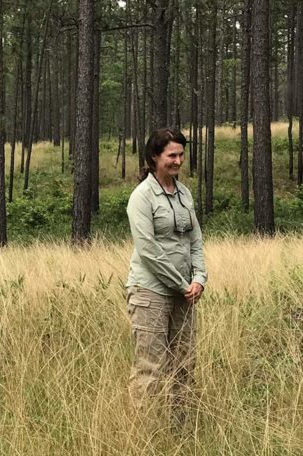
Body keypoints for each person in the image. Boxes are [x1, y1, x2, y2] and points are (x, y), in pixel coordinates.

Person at [126, 127, 207, 419]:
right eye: (172, 155)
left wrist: (199, 278)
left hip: (185, 294)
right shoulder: (142, 197)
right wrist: (182, 283)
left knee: (184, 363)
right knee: (151, 368)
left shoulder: (184, 193)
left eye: (181, 154)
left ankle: (180, 431)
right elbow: (148, 250)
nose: (178, 161)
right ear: (154, 156)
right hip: (150, 293)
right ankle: (145, 437)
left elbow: (195, 240)